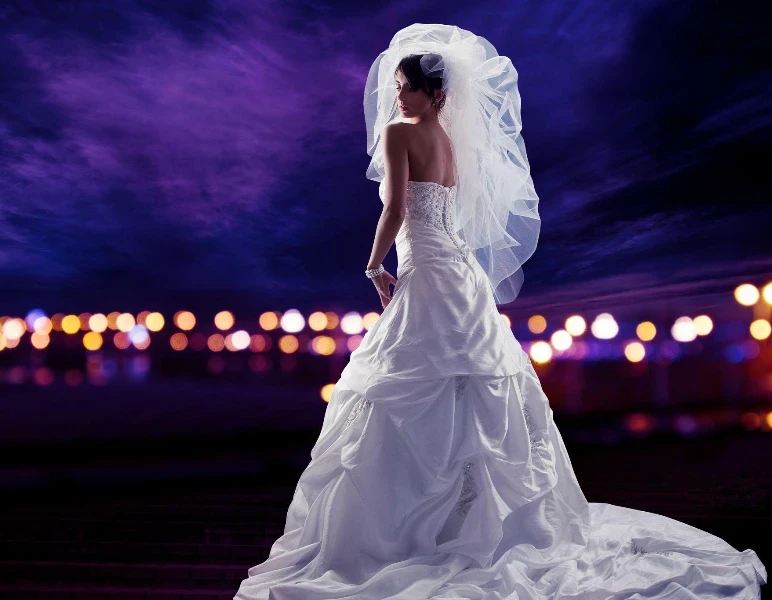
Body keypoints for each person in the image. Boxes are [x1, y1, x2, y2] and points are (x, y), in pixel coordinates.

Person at [235, 23, 767, 600]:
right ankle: (474, 519)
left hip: (427, 266)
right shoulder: (448, 138)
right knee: (468, 384)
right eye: (395, 86)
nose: (395, 95)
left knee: (414, 386)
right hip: (453, 264)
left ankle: (421, 528)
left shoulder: (400, 133)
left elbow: (394, 207)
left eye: (403, 85)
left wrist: (373, 266)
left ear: (427, 91)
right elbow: (441, 208)